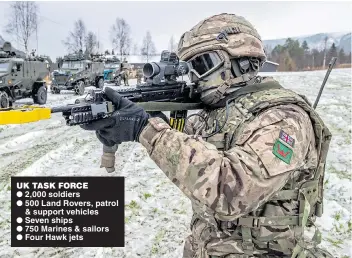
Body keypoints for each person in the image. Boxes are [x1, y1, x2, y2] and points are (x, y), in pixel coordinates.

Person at [81, 13, 333, 258]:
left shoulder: (284, 118)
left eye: (202, 65)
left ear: (242, 60)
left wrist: (146, 129)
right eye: (189, 68)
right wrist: (148, 122)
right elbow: (191, 157)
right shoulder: (220, 112)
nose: (194, 78)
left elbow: (230, 190)